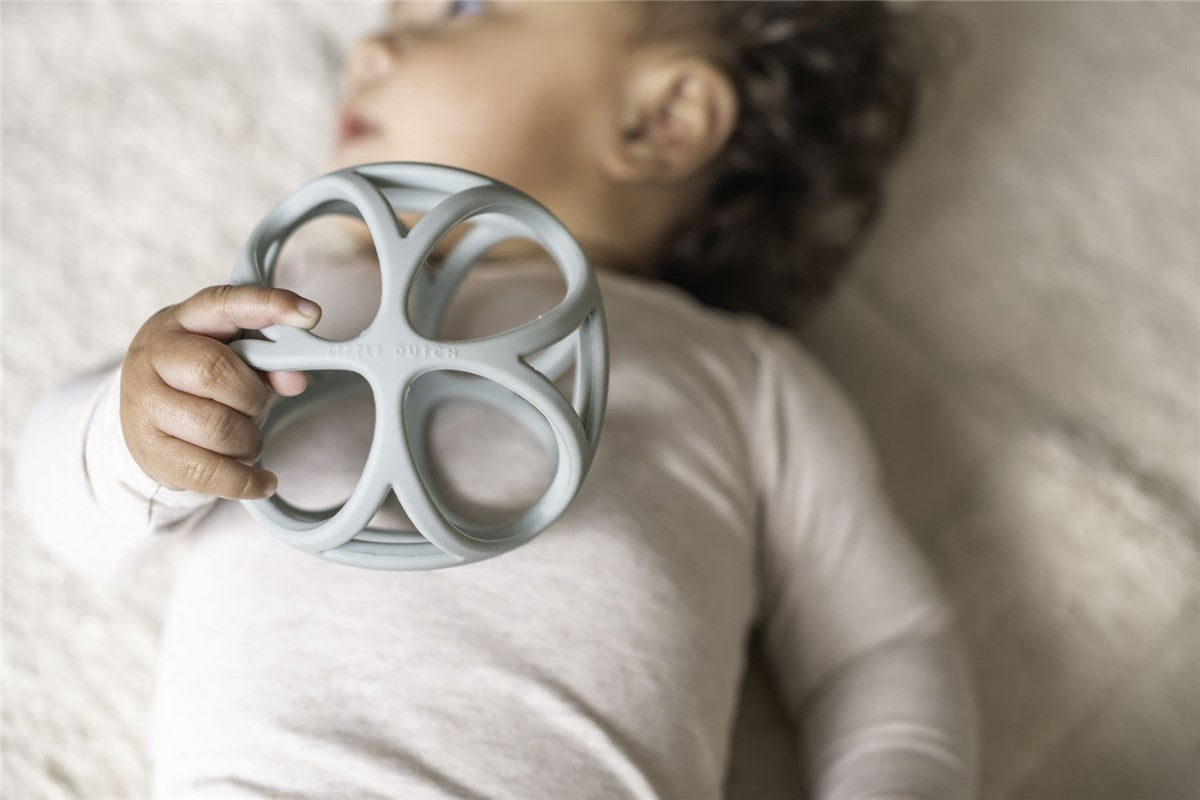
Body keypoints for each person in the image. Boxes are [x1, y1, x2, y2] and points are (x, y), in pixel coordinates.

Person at [17, 1, 980, 798]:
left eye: (457, 8)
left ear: (661, 119)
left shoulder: (747, 380)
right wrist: (137, 431)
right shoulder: (287, 301)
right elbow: (59, 506)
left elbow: (882, 648)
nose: (370, 48)